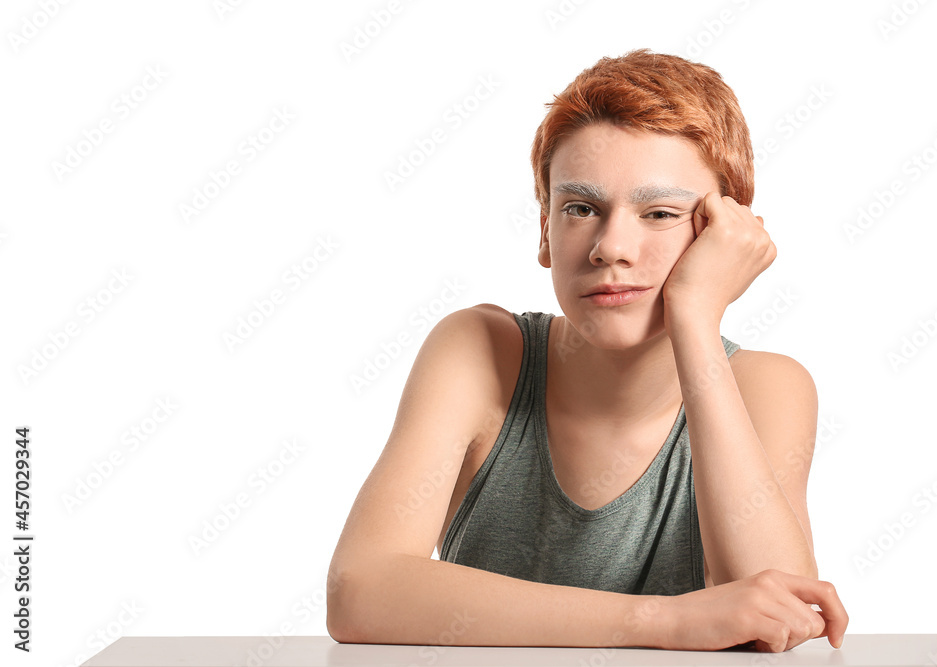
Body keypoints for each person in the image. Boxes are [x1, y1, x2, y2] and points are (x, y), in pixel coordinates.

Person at [325, 48, 848, 653]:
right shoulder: (479, 353)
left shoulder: (769, 386)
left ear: (725, 233)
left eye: (659, 212)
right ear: (546, 230)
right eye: (581, 209)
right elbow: (360, 591)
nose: (610, 247)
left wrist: (697, 319)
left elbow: (773, 620)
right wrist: (669, 623)